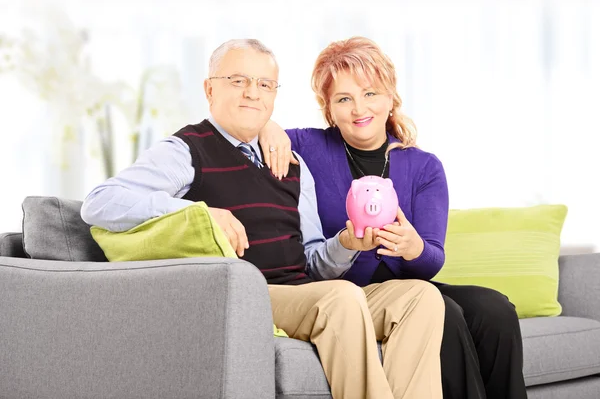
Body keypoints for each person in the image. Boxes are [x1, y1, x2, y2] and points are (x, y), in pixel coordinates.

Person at [81, 39, 445, 399]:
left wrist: (346, 245)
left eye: (265, 84)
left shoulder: (291, 163)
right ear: (210, 89)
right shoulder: (185, 150)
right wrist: (200, 213)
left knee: (418, 297)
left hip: (302, 293)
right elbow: (100, 202)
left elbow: (314, 265)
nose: (252, 93)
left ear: (274, 96)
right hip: (245, 294)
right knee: (342, 298)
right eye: (238, 81)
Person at [259, 36, 528, 399]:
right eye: (343, 99)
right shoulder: (309, 146)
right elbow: (248, 127)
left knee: (495, 309)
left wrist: (414, 247)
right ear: (329, 110)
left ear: (390, 98)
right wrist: (270, 127)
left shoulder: (424, 167)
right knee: (445, 313)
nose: (358, 109)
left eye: (370, 94)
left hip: (408, 284)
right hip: (348, 292)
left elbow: (431, 261)